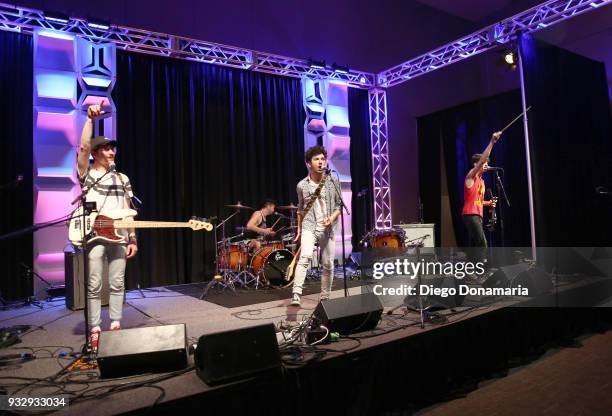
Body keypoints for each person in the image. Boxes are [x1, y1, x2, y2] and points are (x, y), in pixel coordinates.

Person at [76, 101, 138, 352]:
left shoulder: (122, 178)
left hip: (119, 235)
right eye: (106, 148)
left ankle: (114, 325)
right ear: (95, 152)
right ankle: (94, 329)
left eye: (113, 148)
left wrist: (133, 237)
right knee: (93, 285)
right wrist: (90, 120)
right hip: (94, 235)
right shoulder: (87, 174)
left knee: (117, 283)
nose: (112, 152)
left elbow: (129, 208)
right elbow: (81, 147)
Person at [290, 146, 341, 306]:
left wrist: (331, 218)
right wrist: (299, 229)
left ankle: (325, 297)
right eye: (316, 159)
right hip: (309, 226)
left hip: (328, 227)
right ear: (308, 164)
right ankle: (296, 294)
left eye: (322, 159)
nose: (320, 162)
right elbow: (300, 209)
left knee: (328, 264)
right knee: (305, 257)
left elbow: (339, 206)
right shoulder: (301, 185)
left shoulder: (333, 180)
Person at [462, 131, 501, 264]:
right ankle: (479, 270)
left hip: (477, 214)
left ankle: (469, 272)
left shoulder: (481, 181)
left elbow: (477, 200)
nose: (485, 165)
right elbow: (484, 158)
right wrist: (492, 141)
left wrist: (488, 203)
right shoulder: (471, 176)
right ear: (476, 164)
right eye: (483, 163)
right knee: (482, 243)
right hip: (470, 215)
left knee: (474, 245)